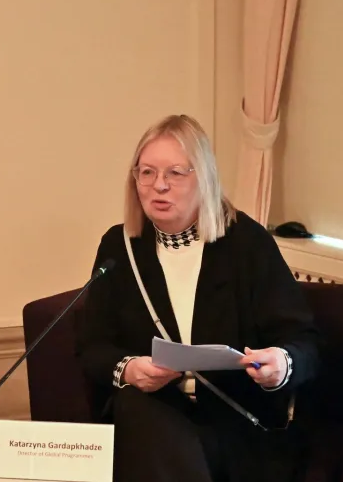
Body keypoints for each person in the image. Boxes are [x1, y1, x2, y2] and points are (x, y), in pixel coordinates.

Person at [73, 114, 320, 482]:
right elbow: (92, 346)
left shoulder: (247, 244)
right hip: (156, 410)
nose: (159, 186)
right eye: (147, 173)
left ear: (202, 178)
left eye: (175, 173)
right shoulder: (120, 246)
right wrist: (130, 369)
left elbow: (305, 342)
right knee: (135, 407)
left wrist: (280, 365)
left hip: (233, 416)